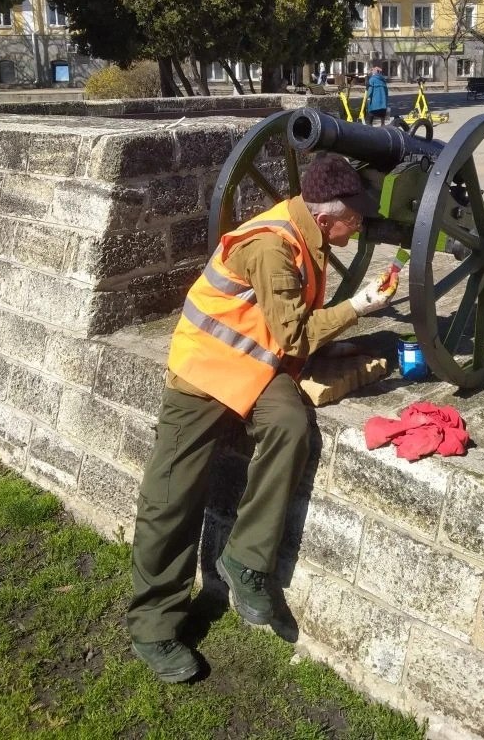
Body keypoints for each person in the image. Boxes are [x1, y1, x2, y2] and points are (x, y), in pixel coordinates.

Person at [127, 153, 400, 683]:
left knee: (291, 427)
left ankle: (246, 559)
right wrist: (359, 307)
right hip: (206, 371)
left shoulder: (308, 235)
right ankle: (153, 626)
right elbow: (294, 334)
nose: (361, 225)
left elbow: (281, 331)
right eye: (355, 218)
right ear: (326, 219)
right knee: (171, 498)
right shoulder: (273, 246)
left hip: (256, 365)